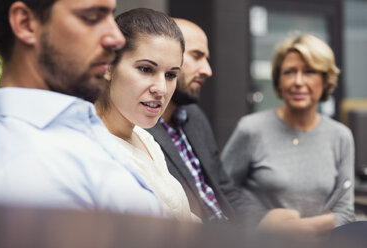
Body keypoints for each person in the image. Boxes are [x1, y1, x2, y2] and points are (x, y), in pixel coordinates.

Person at [0, 0, 163, 216]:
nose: (116, 38)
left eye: (111, 16)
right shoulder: (29, 168)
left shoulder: (75, 125)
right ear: (26, 23)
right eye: (92, 17)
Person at [222, 34, 355, 237]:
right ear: (279, 80)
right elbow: (222, 191)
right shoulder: (251, 129)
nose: (298, 82)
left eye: (309, 72)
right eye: (289, 72)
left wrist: (303, 229)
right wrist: (261, 222)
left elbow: (345, 211)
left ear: (325, 79)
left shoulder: (341, 136)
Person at [95, 8, 197, 221]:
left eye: (170, 75)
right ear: (108, 66)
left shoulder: (144, 137)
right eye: (145, 69)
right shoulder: (92, 152)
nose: (161, 88)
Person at [147, 18, 246, 223]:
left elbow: (224, 188)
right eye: (197, 56)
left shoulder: (193, 115)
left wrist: (264, 223)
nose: (207, 70)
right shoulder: (138, 127)